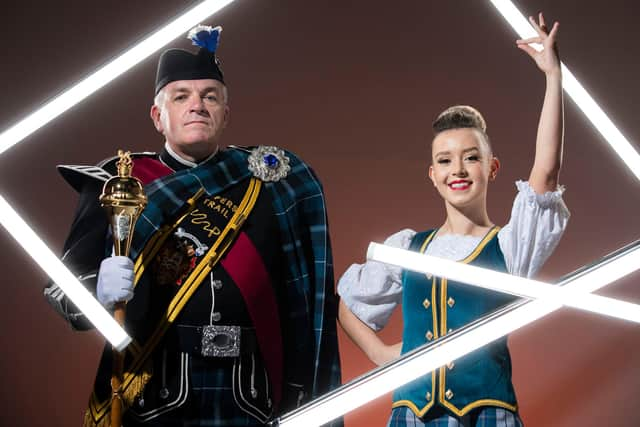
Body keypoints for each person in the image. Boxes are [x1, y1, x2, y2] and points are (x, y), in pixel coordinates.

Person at [44, 25, 342, 427]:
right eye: (180, 96)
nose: (197, 105)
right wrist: (95, 289)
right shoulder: (117, 184)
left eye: (210, 97)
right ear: (158, 116)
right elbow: (62, 292)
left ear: (225, 114)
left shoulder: (272, 185)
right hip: (155, 393)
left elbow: (302, 302)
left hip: (251, 396)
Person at [337, 13, 569, 427]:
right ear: (433, 176)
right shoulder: (408, 248)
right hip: (412, 416)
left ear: (492, 168)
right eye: (445, 160)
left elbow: (545, 175)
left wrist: (553, 78)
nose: (457, 169)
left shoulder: (510, 248)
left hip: (487, 416)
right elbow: (348, 308)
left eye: (471, 157)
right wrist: (382, 354)